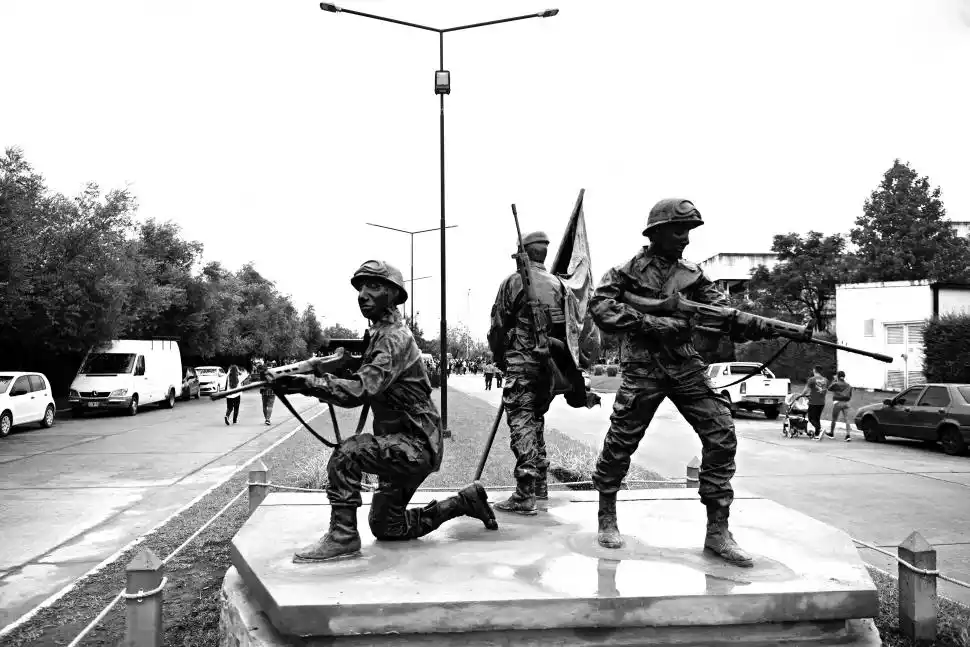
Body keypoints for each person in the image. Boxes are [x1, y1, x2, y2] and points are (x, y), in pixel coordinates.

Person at [269, 260, 497, 562]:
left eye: (373, 286)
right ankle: (464, 502)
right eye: (361, 287)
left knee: (347, 455)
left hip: (415, 444)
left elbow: (361, 391)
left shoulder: (393, 339)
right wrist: (325, 370)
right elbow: (365, 380)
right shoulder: (379, 335)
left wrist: (307, 383)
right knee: (388, 527)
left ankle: (343, 537)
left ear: (393, 294)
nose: (363, 294)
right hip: (402, 441)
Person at [588, 198, 773, 567]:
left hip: (685, 366)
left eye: (689, 231)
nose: (686, 238)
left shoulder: (693, 275)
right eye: (678, 230)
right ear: (656, 232)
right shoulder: (624, 273)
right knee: (622, 440)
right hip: (643, 367)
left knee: (721, 433)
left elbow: (720, 310)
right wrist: (651, 323)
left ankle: (718, 531)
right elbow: (602, 308)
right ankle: (607, 514)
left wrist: (752, 323)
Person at [487, 230, 595, 515]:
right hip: (548, 368)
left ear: (522, 254)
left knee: (522, 424)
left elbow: (498, 327)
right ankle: (541, 486)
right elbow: (568, 332)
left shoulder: (512, 283)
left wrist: (501, 358)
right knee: (535, 423)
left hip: (521, 366)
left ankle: (525, 493)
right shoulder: (560, 286)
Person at [797, 366, 829, 439]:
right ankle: (817, 435)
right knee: (817, 418)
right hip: (822, 402)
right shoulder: (826, 380)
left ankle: (820, 429)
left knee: (811, 418)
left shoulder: (812, 379)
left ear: (814, 370)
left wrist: (801, 395)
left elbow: (806, 390)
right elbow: (825, 390)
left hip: (813, 402)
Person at [827, 370, 853, 441]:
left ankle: (831, 434)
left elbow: (829, 388)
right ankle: (848, 435)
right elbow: (850, 395)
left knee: (834, 419)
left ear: (838, 376)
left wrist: (835, 380)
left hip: (837, 403)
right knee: (847, 419)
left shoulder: (836, 384)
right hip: (846, 403)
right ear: (844, 377)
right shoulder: (848, 385)